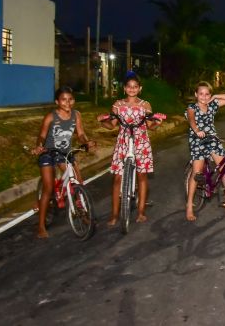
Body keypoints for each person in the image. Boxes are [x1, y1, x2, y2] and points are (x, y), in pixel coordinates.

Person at [98, 73, 161, 225]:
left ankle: (140, 212)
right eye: (129, 86)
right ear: (124, 88)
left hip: (141, 142)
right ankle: (114, 215)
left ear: (140, 88)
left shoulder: (145, 105)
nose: (132, 89)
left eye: (135, 87)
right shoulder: (117, 105)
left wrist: (157, 122)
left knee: (142, 176)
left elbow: (150, 126)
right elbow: (111, 124)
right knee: (117, 179)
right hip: (123, 141)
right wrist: (101, 122)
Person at [32, 86, 95, 238]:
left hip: (64, 153)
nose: (67, 103)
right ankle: (41, 226)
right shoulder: (51, 117)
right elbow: (42, 135)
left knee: (78, 181)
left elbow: (80, 134)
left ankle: (84, 213)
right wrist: (39, 146)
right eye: (63, 100)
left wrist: (86, 142)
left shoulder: (76, 115)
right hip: (48, 153)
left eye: (70, 99)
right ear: (57, 101)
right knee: (48, 188)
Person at [185, 81, 225, 221]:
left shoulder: (212, 105)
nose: (204, 97)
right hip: (198, 140)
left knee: (224, 168)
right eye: (201, 94)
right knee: (197, 172)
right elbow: (191, 119)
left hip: (212, 139)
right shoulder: (192, 107)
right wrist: (197, 130)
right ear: (196, 94)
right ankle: (189, 205)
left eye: (207, 94)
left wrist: (215, 96)